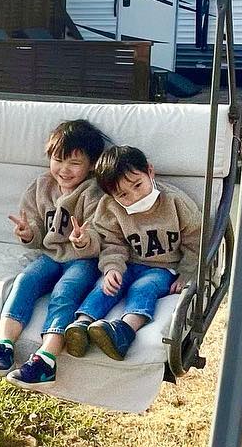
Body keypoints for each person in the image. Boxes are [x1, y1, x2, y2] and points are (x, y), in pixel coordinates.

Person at [0, 118, 108, 387]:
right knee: (25, 281)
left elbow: (103, 236)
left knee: (65, 292)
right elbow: (37, 230)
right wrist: (28, 234)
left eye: (74, 163)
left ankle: (46, 359)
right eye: (58, 160)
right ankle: (4, 346)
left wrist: (83, 239)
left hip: (83, 260)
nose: (64, 169)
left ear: (91, 165)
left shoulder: (95, 193)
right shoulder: (41, 186)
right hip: (50, 255)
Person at [62, 144, 201, 361]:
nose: (135, 196)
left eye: (138, 185)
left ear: (150, 172)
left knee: (143, 287)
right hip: (128, 263)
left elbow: (196, 240)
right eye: (123, 194)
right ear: (111, 196)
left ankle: (124, 331)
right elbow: (112, 243)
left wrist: (187, 272)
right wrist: (112, 268)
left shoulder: (176, 202)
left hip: (163, 268)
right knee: (106, 285)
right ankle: (82, 324)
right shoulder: (110, 208)